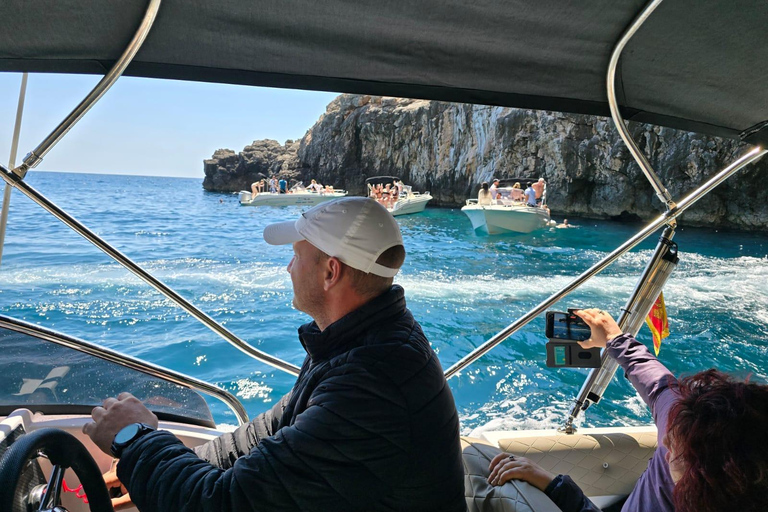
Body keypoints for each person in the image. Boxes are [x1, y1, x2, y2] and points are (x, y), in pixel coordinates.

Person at [82, 197, 466, 512]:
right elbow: (271, 430)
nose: (287, 267)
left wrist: (135, 440)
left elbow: (224, 506)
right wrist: (180, 463)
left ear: (331, 272)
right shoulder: (359, 339)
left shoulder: (373, 386)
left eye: (297, 256)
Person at [488, 308, 768, 512]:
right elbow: (660, 389)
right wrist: (613, 337)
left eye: (674, 449)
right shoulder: (687, 423)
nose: (664, 444)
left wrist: (555, 489)